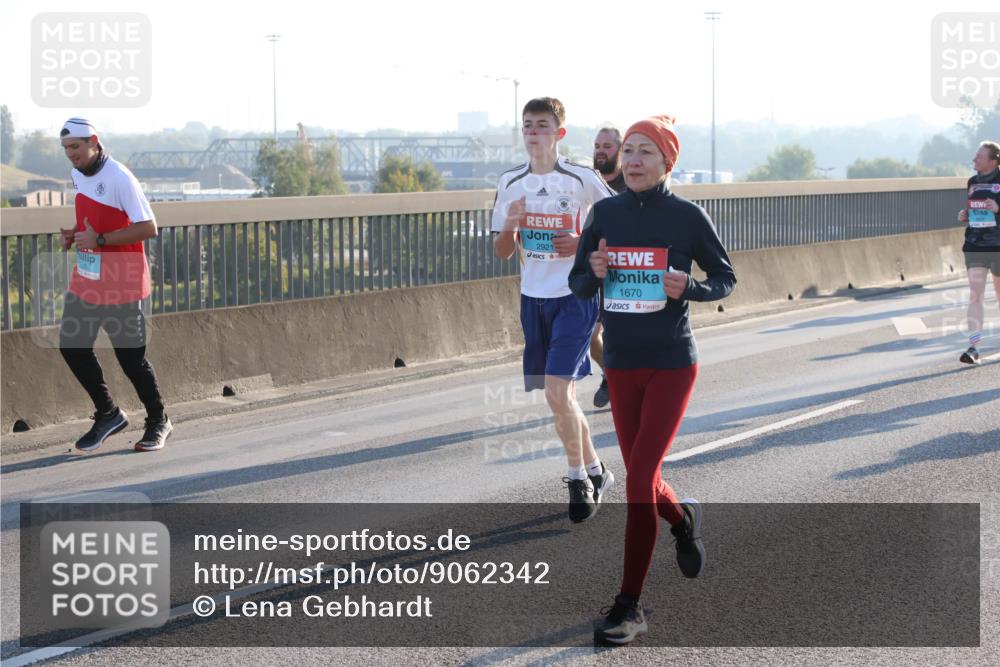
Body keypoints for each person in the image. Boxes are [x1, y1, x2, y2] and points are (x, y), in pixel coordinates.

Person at [569, 115, 736, 644]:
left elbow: (725, 278)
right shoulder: (604, 213)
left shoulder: (687, 216)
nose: (634, 160)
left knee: (639, 481)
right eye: (630, 152)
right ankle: (683, 519)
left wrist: (689, 287)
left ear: (667, 162)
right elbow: (577, 284)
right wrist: (591, 272)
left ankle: (629, 607)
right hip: (620, 363)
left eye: (646, 152)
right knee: (645, 478)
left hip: (671, 362)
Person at [492, 98, 618, 522]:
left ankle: (578, 478)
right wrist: (511, 222)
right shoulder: (511, 182)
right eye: (527, 125)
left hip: (575, 296)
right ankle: (598, 470)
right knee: (561, 397)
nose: (533, 132)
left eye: (542, 125)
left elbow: (617, 227)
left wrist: (581, 242)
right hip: (533, 299)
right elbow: (503, 251)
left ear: (559, 134)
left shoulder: (580, 178)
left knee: (556, 390)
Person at [58, 118, 172, 452]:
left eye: (75, 147)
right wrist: (75, 234)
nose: (71, 155)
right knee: (72, 345)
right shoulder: (78, 174)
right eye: (66, 149)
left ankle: (159, 419)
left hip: (122, 278)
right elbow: (93, 219)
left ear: (94, 141)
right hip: (89, 276)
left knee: (130, 359)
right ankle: (108, 413)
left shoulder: (121, 178)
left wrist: (101, 239)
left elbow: (149, 227)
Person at [590, 126, 626, 409]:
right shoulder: (586, 183)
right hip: (591, 271)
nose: (600, 151)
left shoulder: (632, 184)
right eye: (597, 146)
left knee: (607, 334)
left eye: (607, 146)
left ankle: (620, 378)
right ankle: (612, 376)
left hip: (623, 273)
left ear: (620, 150)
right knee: (591, 336)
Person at [956, 140, 1000, 365]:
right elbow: (974, 207)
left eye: (979, 157)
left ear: (993, 161)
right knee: (975, 295)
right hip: (975, 245)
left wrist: (998, 208)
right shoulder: (972, 182)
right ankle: (974, 347)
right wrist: (966, 214)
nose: (974, 160)